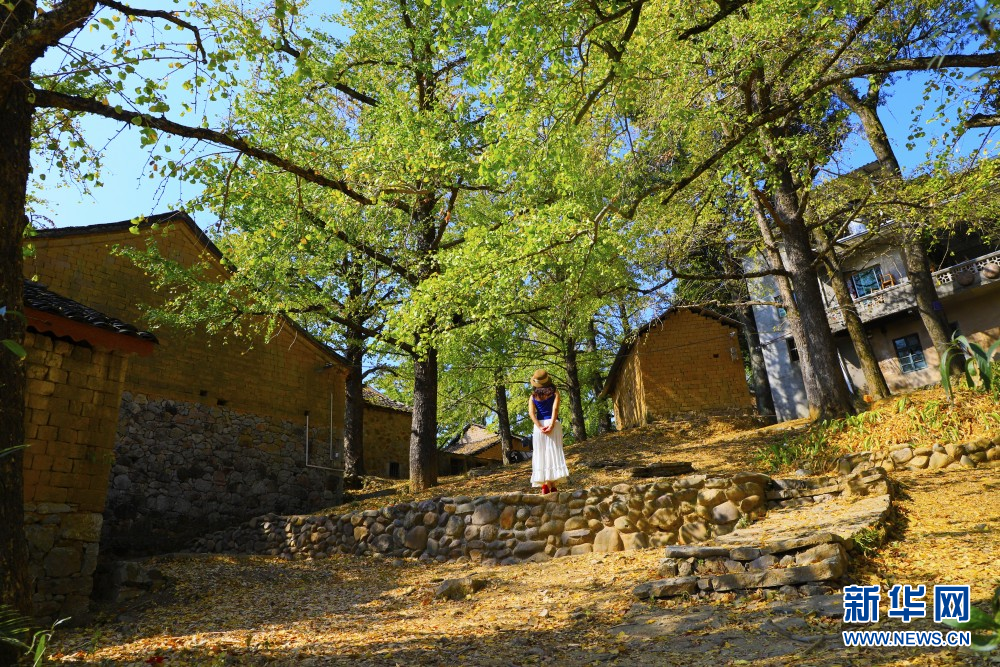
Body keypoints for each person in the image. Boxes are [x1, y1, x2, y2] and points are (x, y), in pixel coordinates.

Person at [527, 369, 569, 494]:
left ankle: (545, 485)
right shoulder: (555, 393)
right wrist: (551, 425)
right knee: (554, 452)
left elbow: (531, 413)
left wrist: (539, 426)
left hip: (539, 426)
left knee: (541, 453)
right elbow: (555, 409)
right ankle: (553, 484)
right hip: (553, 424)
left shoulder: (532, 397)